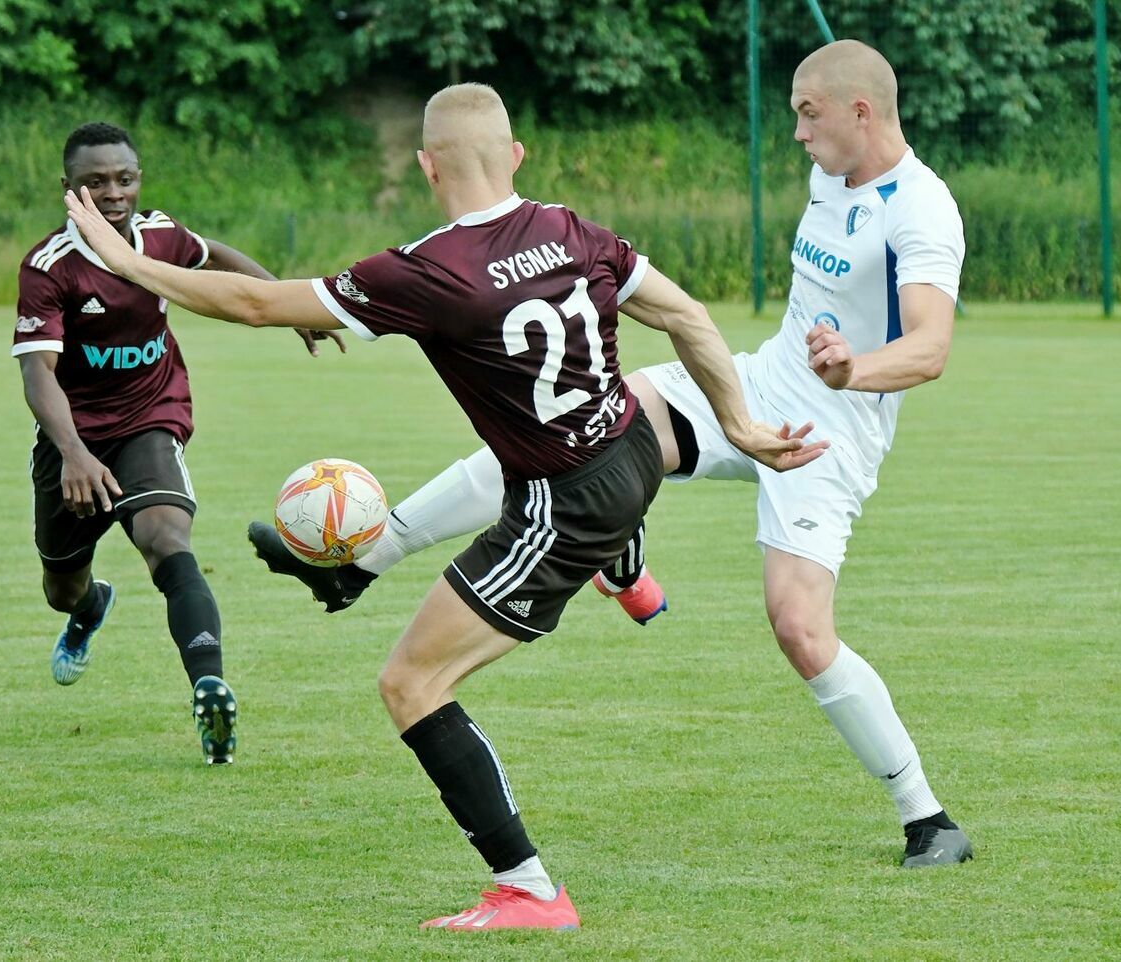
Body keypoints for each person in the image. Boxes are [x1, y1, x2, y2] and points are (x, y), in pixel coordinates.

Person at [63, 85, 825, 928]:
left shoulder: (427, 270)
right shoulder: (572, 228)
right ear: (517, 156)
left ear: (428, 166)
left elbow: (253, 303)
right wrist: (740, 425)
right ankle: (612, 563)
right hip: (630, 449)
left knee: (411, 681)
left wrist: (126, 259)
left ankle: (531, 891)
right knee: (517, 461)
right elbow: (683, 313)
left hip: (564, 506)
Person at [253, 40, 974, 869]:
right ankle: (357, 565)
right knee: (567, 433)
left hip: (829, 434)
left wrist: (854, 369)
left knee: (801, 629)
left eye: (808, 115)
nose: (799, 136)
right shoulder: (829, 176)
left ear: (861, 110)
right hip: (756, 383)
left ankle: (928, 818)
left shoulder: (921, 209)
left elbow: (930, 348)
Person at [13, 121, 344, 765]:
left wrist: (289, 305)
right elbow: (37, 374)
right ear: (68, 188)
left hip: (150, 418)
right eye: (96, 181)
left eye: (125, 178)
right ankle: (89, 609)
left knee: (166, 539)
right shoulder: (49, 267)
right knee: (62, 586)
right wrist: (75, 454)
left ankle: (209, 689)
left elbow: (213, 253)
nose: (114, 193)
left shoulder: (158, 237)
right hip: (72, 441)